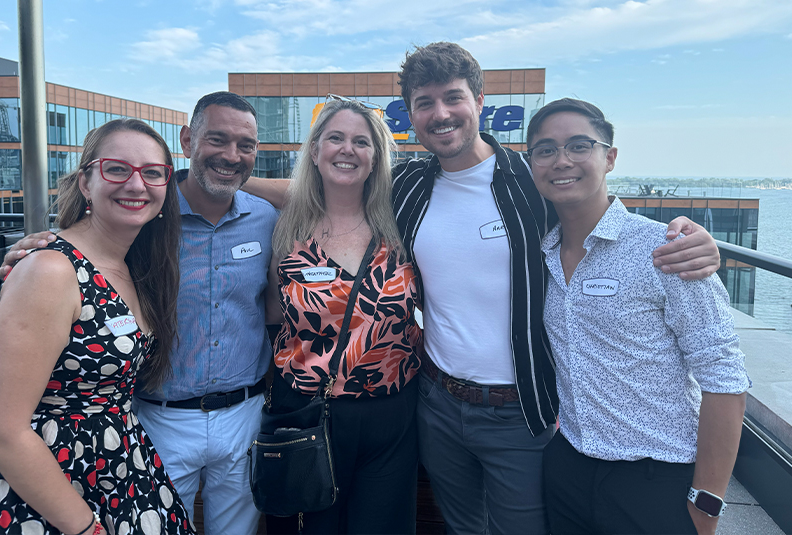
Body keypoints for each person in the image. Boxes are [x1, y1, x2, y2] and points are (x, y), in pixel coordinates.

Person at [242, 42, 723, 535]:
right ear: (411, 115)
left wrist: (689, 240)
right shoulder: (407, 186)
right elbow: (324, 189)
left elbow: (588, 205)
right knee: (461, 528)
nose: (441, 113)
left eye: (453, 97)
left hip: (519, 410)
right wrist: (228, 182)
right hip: (435, 402)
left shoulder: (531, 180)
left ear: (479, 101)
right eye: (425, 103)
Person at [0, 92, 278, 535]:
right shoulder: (147, 216)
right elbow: (88, 243)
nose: (231, 154)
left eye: (245, 145)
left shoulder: (266, 218)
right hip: (158, 419)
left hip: (244, 415)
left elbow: (321, 188)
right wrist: (42, 248)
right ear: (187, 140)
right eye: (217, 139)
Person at [0, 119, 193, 535]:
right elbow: (1, 430)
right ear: (85, 182)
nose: (136, 184)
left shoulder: (131, 265)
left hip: (115, 467)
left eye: (152, 172)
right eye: (116, 169)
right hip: (42, 488)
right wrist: (86, 528)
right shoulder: (49, 269)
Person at [526, 98, 749, 535]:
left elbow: (724, 376)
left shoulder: (666, 250)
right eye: (546, 150)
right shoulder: (543, 252)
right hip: (568, 465)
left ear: (609, 157)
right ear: (532, 164)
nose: (562, 160)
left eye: (579, 145)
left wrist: (706, 504)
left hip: (655, 477)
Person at [265, 97, 422, 534]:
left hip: (392, 415)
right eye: (335, 138)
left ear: (376, 158)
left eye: (361, 141)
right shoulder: (286, 231)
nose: (347, 149)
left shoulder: (403, 227)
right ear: (315, 151)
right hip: (305, 411)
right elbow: (274, 317)